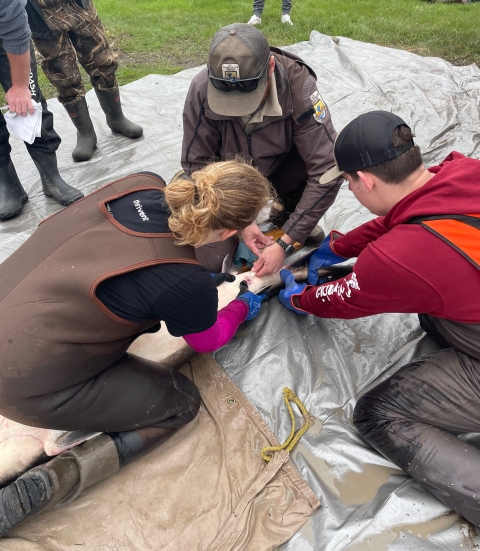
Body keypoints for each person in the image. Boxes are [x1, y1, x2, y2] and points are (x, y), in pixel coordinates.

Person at [0, 159, 272, 537]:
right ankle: (51, 482)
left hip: (14, 307)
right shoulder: (184, 280)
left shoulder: (141, 183)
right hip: (20, 382)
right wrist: (242, 305)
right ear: (229, 228)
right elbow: (208, 339)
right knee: (181, 403)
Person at [279, 109, 480, 526]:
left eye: (348, 182)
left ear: (364, 181)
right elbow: (404, 215)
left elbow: (343, 297)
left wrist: (300, 299)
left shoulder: (399, 258)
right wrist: (338, 247)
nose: (351, 190)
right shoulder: (462, 171)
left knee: (378, 414)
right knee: (433, 313)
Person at [182, 23, 342, 277]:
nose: (240, 110)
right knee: (206, 258)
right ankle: (245, 223)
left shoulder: (299, 86)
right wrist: (240, 221)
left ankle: (289, 219)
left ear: (269, 67)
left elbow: (327, 169)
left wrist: (285, 242)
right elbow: (195, 164)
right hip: (230, 180)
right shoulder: (202, 88)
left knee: (317, 164)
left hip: (281, 168)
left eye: (246, 96)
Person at [26, 0, 143, 163]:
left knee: (102, 60)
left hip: (77, 5)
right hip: (40, 12)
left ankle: (116, 118)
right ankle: (85, 132)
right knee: (62, 72)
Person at [0, 0, 83, 221]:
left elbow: (15, 30)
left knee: (30, 103)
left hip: (8, 36)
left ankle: (51, 177)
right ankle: (7, 183)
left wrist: (19, 86)